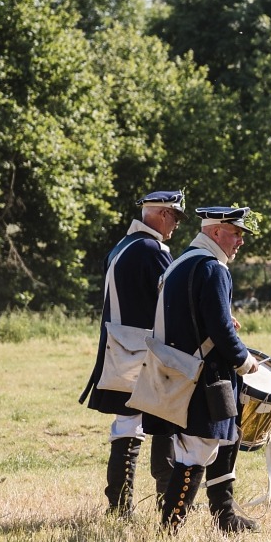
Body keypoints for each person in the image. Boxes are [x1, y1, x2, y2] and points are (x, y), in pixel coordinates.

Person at [137, 205, 262, 532]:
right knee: (195, 454)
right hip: (202, 377)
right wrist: (244, 361)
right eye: (235, 233)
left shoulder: (179, 264)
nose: (240, 241)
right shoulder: (213, 269)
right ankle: (168, 534)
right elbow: (220, 329)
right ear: (215, 231)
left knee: (202, 448)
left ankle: (224, 517)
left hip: (176, 372)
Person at [80, 191, 185, 515]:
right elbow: (172, 300)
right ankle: (165, 501)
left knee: (126, 425)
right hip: (141, 350)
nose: (177, 226)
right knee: (165, 420)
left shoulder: (121, 247)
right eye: (176, 217)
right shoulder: (151, 249)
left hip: (120, 348)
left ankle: (120, 505)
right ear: (163, 214)